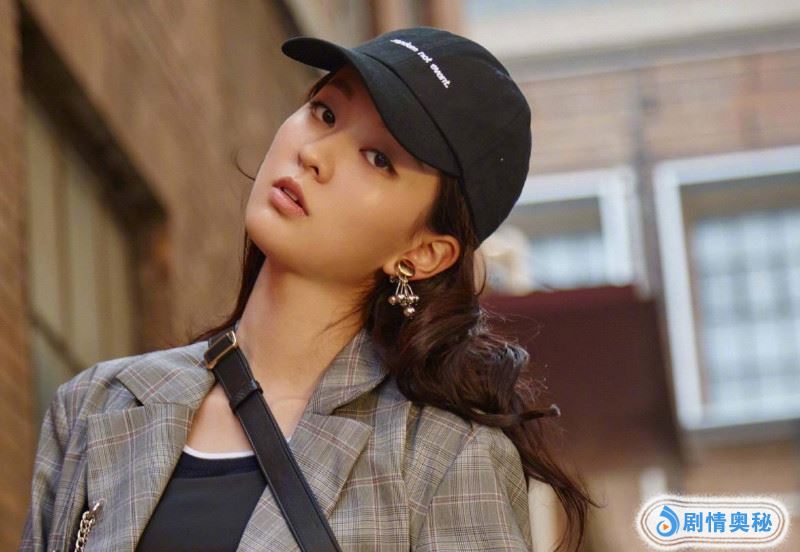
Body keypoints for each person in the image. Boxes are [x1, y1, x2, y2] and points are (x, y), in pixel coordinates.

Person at [20, 26, 594, 552]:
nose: (314, 154)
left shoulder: (441, 458)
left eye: (378, 158)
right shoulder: (97, 406)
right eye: (325, 112)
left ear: (423, 253)